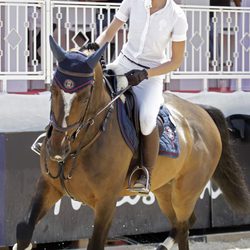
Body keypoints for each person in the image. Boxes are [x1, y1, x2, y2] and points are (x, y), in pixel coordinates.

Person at [87, 0, 188, 194]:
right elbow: (110, 31)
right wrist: (95, 47)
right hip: (122, 64)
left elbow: (176, 61)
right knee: (89, 92)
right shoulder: (132, 1)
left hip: (150, 76)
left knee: (147, 120)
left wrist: (145, 74)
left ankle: (145, 173)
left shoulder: (177, 16)